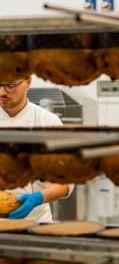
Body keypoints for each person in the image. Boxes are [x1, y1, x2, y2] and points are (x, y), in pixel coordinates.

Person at [0, 76, 74, 221]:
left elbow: (65, 183)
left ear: (28, 81)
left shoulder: (48, 122)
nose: (2, 92)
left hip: (35, 221)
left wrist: (37, 198)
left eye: (10, 85)